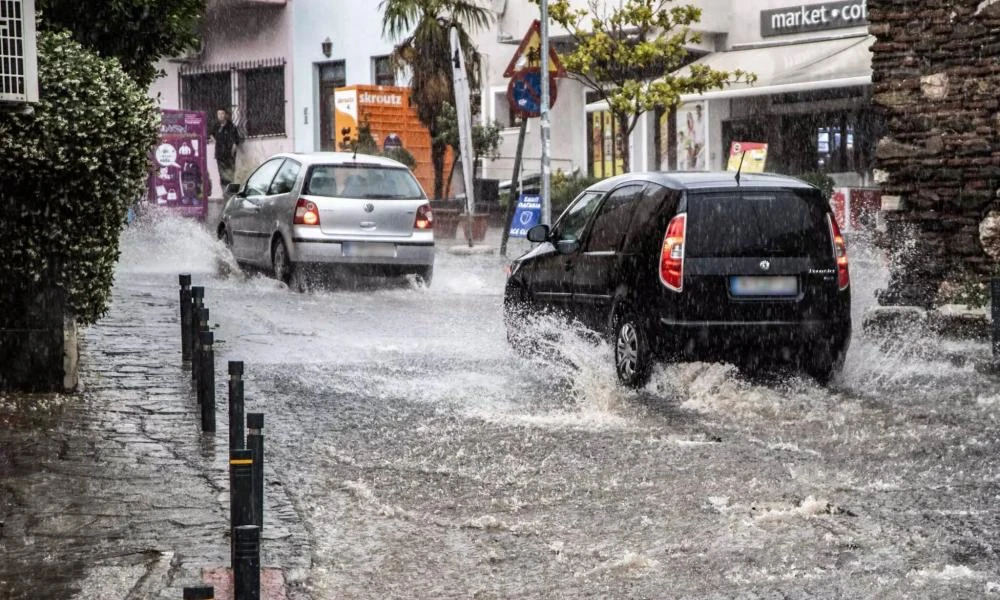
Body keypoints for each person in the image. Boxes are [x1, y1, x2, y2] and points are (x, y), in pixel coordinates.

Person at [209, 108, 241, 195]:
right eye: (218, 114)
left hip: (229, 156)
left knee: (230, 175)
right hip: (220, 155)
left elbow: (236, 140)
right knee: (222, 176)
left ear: (226, 115)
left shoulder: (231, 126)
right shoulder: (216, 126)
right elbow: (211, 134)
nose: (220, 116)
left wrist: (232, 150)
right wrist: (215, 141)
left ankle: (231, 195)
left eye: (222, 114)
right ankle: (225, 195)